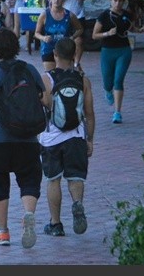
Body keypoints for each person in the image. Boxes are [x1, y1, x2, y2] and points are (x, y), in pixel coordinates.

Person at [0, 27, 42, 249]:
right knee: (29, 179)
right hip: (28, 137)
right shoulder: (30, 70)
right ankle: (28, 213)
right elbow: (42, 97)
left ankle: (3, 233)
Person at [39, 37, 95, 237]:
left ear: (55, 55)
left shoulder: (46, 78)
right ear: (74, 56)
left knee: (53, 180)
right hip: (77, 136)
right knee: (75, 177)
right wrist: (89, 140)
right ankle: (77, 204)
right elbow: (89, 113)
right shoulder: (83, 80)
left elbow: (45, 105)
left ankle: (55, 224)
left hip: (52, 138)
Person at [91, 0, 144, 124]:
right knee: (107, 82)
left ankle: (117, 112)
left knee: (118, 80)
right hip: (107, 51)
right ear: (111, 1)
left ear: (124, 2)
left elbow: (131, 28)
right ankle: (108, 91)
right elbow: (94, 35)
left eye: (120, 1)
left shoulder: (127, 15)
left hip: (123, 50)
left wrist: (140, 30)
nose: (117, 3)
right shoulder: (104, 16)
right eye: (115, 0)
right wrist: (107, 34)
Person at [51, 0, 94, 71]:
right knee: (64, 41)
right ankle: (64, 63)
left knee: (79, 40)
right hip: (64, 15)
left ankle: (76, 63)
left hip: (78, 14)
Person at [33, 0, 83, 72]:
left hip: (65, 49)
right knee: (51, 76)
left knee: (65, 76)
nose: (56, 0)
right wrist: (44, 38)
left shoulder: (69, 15)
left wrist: (72, 37)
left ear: (63, 0)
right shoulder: (44, 15)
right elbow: (36, 33)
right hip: (49, 49)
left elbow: (80, 29)